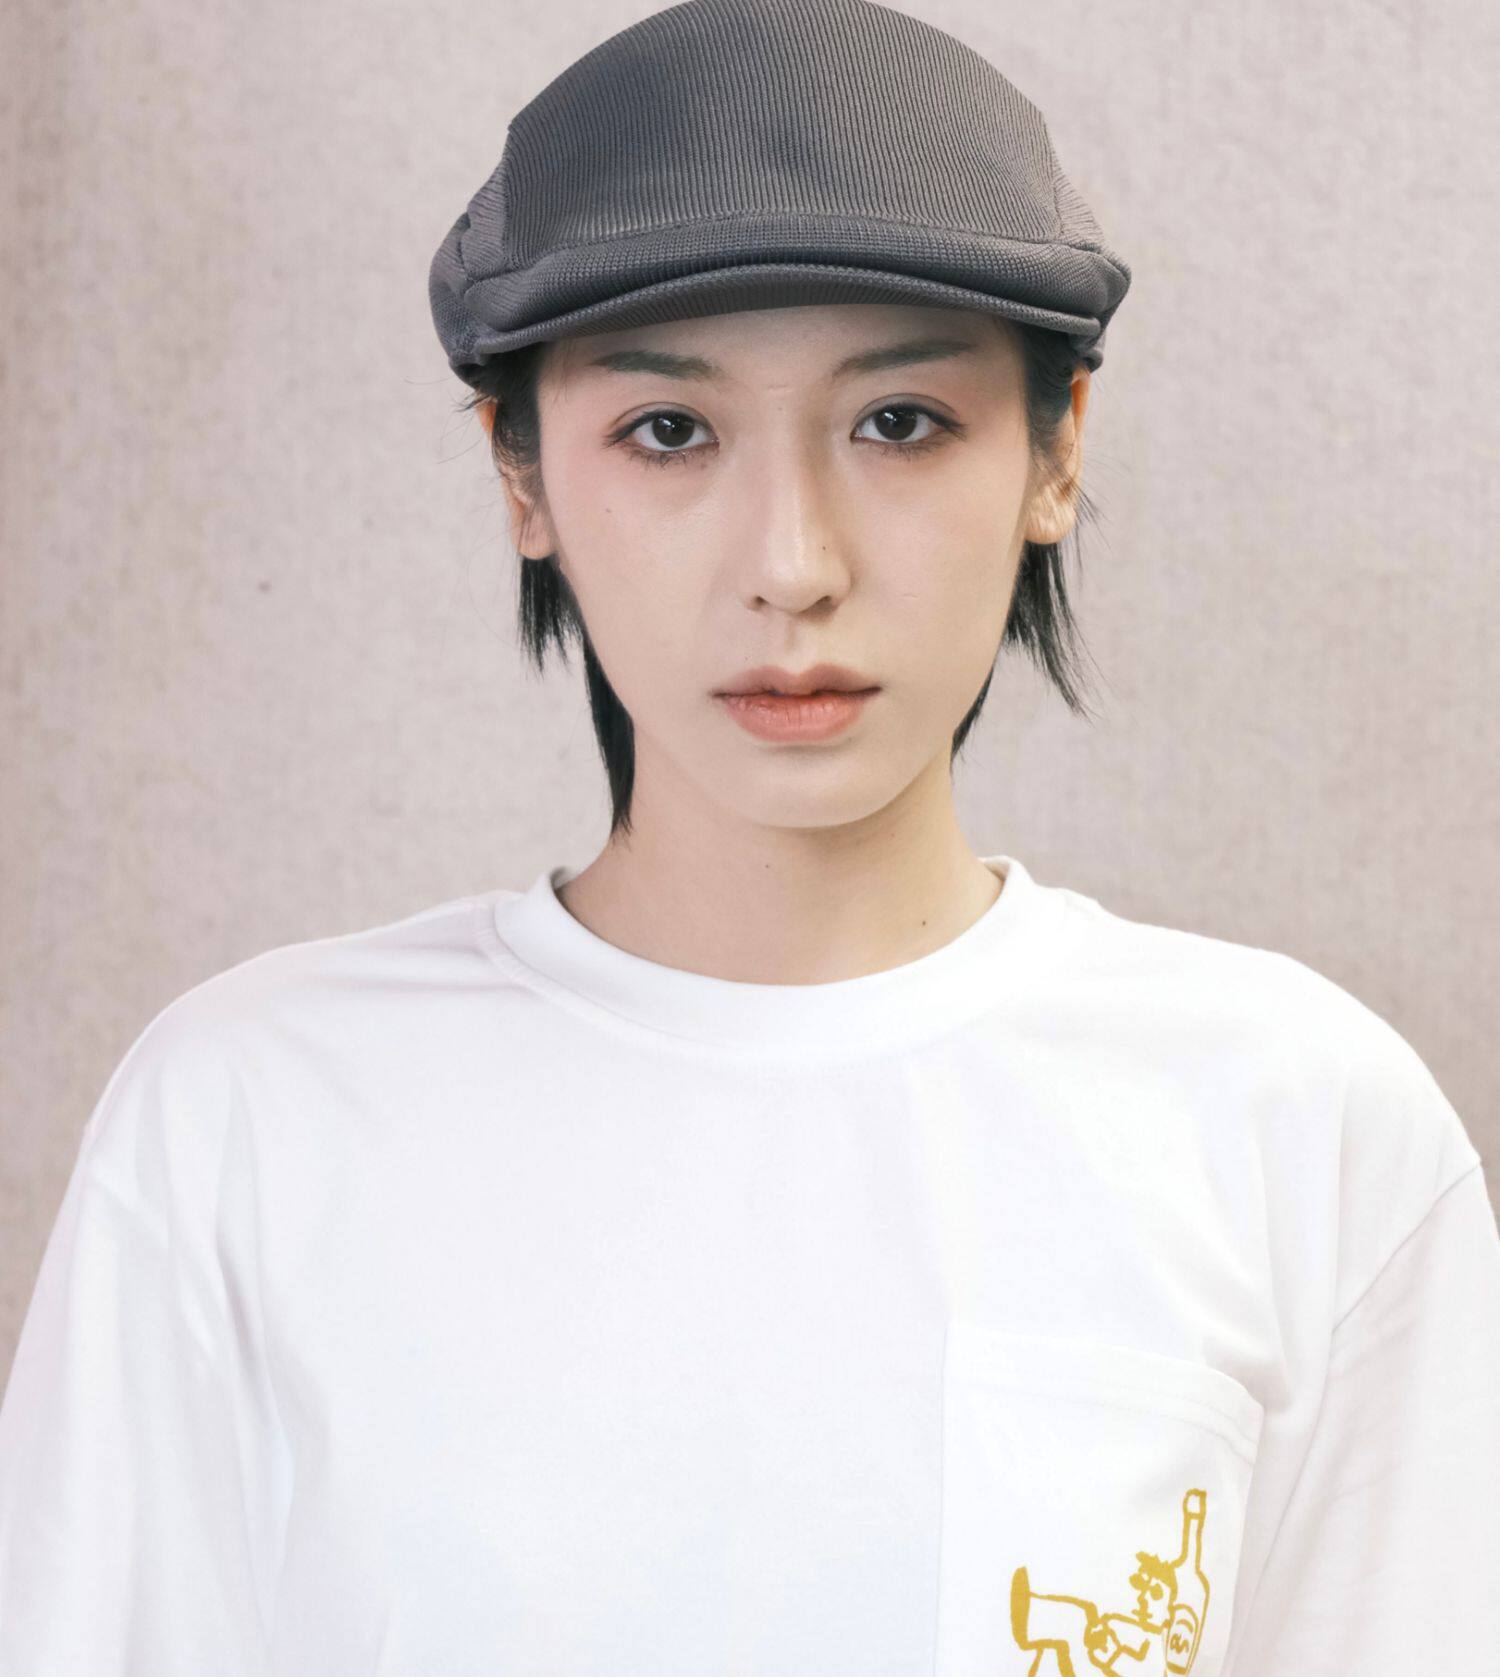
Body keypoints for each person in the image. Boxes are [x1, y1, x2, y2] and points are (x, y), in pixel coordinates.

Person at [1, 1, 1496, 1673]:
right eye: (669, 431)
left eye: (899, 421)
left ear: (1057, 447)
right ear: (522, 475)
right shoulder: (245, 1124)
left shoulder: (1298, 1127)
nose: (792, 562)